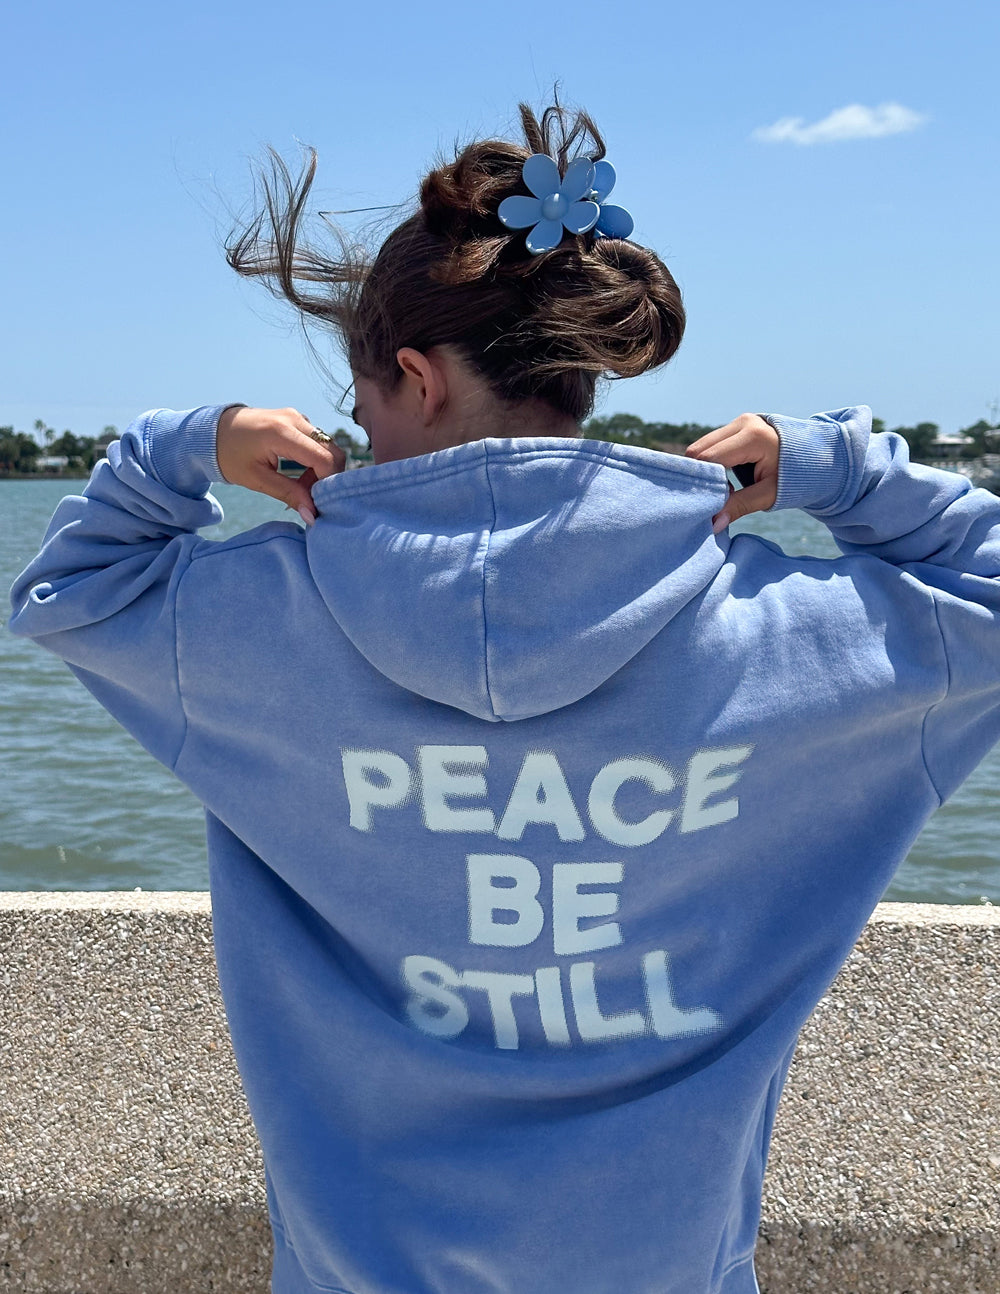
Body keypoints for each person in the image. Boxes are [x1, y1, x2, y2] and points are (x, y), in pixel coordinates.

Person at [8, 101, 1000, 1294]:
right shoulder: (785, 634)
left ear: (416, 379)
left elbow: (68, 589)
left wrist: (187, 447)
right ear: (580, 374)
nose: (357, 431)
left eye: (362, 401)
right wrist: (833, 463)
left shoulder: (251, 627)